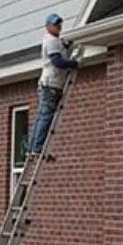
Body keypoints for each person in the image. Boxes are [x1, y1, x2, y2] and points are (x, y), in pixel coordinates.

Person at [27, 13, 79, 158]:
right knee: (46, 117)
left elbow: (61, 48)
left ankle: (32, 148)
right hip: (51, 84)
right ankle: (37, 148)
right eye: (55, 24)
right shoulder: (51, 41)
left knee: (41, 117)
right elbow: (57, 62)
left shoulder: (55, 40)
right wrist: (73, 63)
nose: (58, 27)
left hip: (49, 84)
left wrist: (66, 45)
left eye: (59, 24)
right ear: (48, 26)